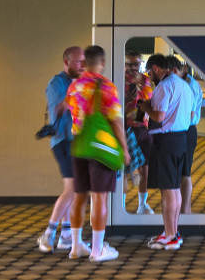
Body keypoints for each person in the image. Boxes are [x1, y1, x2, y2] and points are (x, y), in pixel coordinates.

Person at [64, 45, 127, 262]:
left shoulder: (74, 86)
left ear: (84, 63)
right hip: (100, 148)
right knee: (100, 197)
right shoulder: (107, 86)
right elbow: (116, 121)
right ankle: (97, 250)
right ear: (102, 63)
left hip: (79, 144)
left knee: (79, 196)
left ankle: (75, 247)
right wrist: (124, 149)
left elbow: (72, 111)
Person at [38, 46, 84, 254]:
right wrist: (78, 89)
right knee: (72, 189)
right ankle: (48, 233)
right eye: (78, 62)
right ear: (66, 62)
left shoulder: (78, 81)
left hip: (76, 140)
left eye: (84, 62)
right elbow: (59, 108)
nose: (82, 66)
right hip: (63, 140)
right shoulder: (57, 83)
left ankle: (66, 235)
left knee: (73, 189)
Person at [145, 53, 194, 250]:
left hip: (166, 140)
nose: (150, 78)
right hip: (181, 138)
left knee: (168, 190)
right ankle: (172, 232)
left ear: (155, 68)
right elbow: (190, 115)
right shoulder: (185, 86)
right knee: (174, 187)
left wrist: (145, 107)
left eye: (149, 73)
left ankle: (170, 235)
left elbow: (159, 116)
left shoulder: (165, 86)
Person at [123, 53, 155, 214]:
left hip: (144, 128)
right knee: (124, 170)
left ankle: (142, 205)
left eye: (136, 64)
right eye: (129, 64)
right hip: (127, 128)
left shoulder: (146, 80)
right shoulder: (120, 80)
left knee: (145, 169)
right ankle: (120, 206)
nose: (133, 68)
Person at [175, 58, 203, 216]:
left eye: (175, 71)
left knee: (185, 173)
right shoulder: (185, 83)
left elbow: (189, 114)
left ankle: (185, 213)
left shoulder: (190, 85)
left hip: (187, 130)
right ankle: (186, 211)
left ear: (183, 69)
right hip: (185, 130)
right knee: (181, 173)